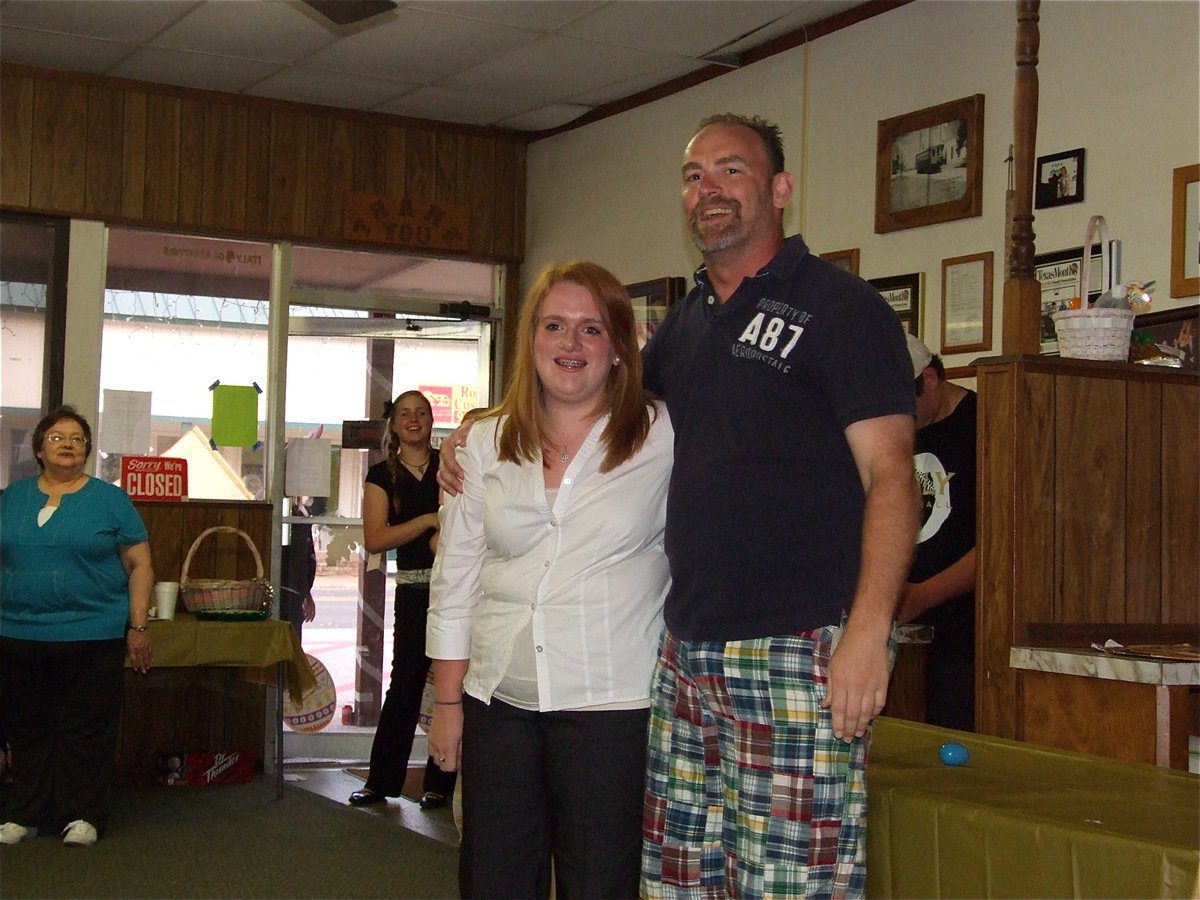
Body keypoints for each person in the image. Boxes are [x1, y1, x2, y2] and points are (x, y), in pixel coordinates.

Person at [440, 114, 918, 898]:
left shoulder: (843, 308)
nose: (710, 190)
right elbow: (588, 399)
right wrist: (479, 428)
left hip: (796, 650)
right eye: (695, 175)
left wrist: (868, 632)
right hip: (683, 662)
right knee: (678, 882)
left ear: (781, 189)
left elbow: (893, 476)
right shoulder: (685, 330)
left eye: (733, 171)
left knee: (786, 884)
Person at [427, 261, 674, 898]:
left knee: (601, 884)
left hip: (610, 711)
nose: (570, 344)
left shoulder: (663, 436)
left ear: (619, 348)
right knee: (494, 882)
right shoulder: (483, 443)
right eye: (555, 325)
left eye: (591, 330)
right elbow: (455, 579)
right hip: (497, 707)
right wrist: (448, 704)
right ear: (531, 339)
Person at [0, 405, 154, 847]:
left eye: (77, 439)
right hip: (18, 634)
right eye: (56, 437)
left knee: (85, 729)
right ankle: (25, 814)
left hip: (92, 635)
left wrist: (138, 627)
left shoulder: (111, 501)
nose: (67, 444)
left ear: (87, 450)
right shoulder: (13, 498)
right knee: (27, 729)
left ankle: (83, 815)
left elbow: (139, 564)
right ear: (39, 449)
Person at [348, 391, 457, 811]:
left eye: (422, 413)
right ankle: (381, 780)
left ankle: (441, 785)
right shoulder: (381, 474)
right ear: (393, 425)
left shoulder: (451, 466)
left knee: (456, 689)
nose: (414, 420)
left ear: (432, 420)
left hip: (458, 591)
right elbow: (376, 538)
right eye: (405, 414)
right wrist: (429, 520)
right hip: (414, 591)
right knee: (405, 687)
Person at [897, 335, 977, 732]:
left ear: (929, 379)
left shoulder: (985, 426)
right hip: (907, 632)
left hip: (965, 636)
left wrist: (923, 595)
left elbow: (1004, 546)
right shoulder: (895, 433)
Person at [280, 495, 318, 644]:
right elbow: (297, 557)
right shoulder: (290, 515)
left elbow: (306, 558)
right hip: (288, 589)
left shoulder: (301, 515)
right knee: (290, 643)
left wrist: (306, 593)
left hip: (296, 590)